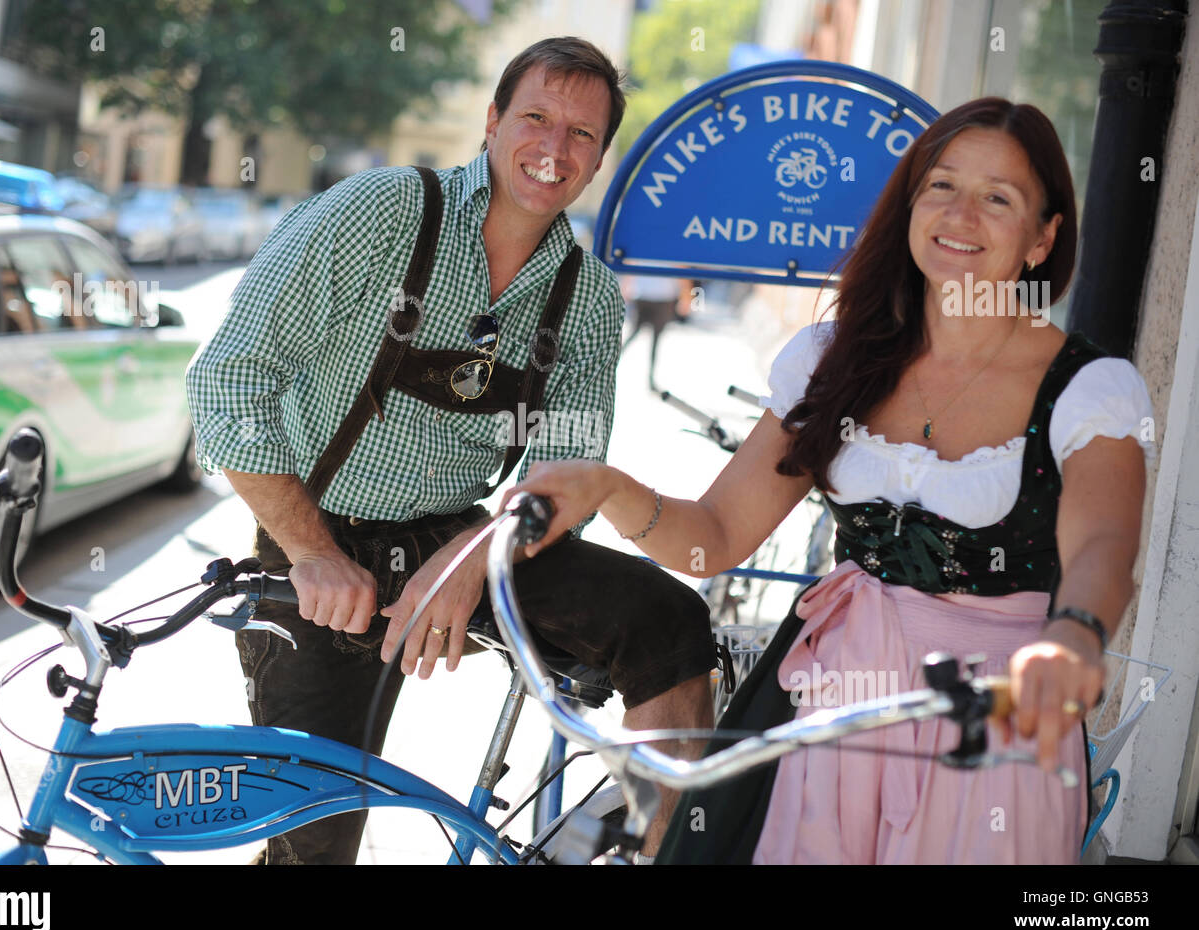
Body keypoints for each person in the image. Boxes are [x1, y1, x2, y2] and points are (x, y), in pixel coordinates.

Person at [505, 97, 1156, 864]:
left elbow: (1104, 545)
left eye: (999, 197)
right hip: (830, 710)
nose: (961, 214)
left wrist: (1074, 637)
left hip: (994, 727)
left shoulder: (1087, 387)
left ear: (1045, 237)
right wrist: (609, 487)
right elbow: (712, 537)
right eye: (941, 185)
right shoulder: (834, 357)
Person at [185, 36, 717, 865]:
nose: (554, 148)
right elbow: (228, 379)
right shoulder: (382, 212)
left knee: (670, 621)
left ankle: (664, 850)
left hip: (472, 535)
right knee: (313, 839)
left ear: (600, 160)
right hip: (316, 541)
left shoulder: (586, 299)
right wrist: (311, 554)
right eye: (536, 118)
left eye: (582, 135)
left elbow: (563, 481)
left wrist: (470, 559)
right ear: (493, 121)